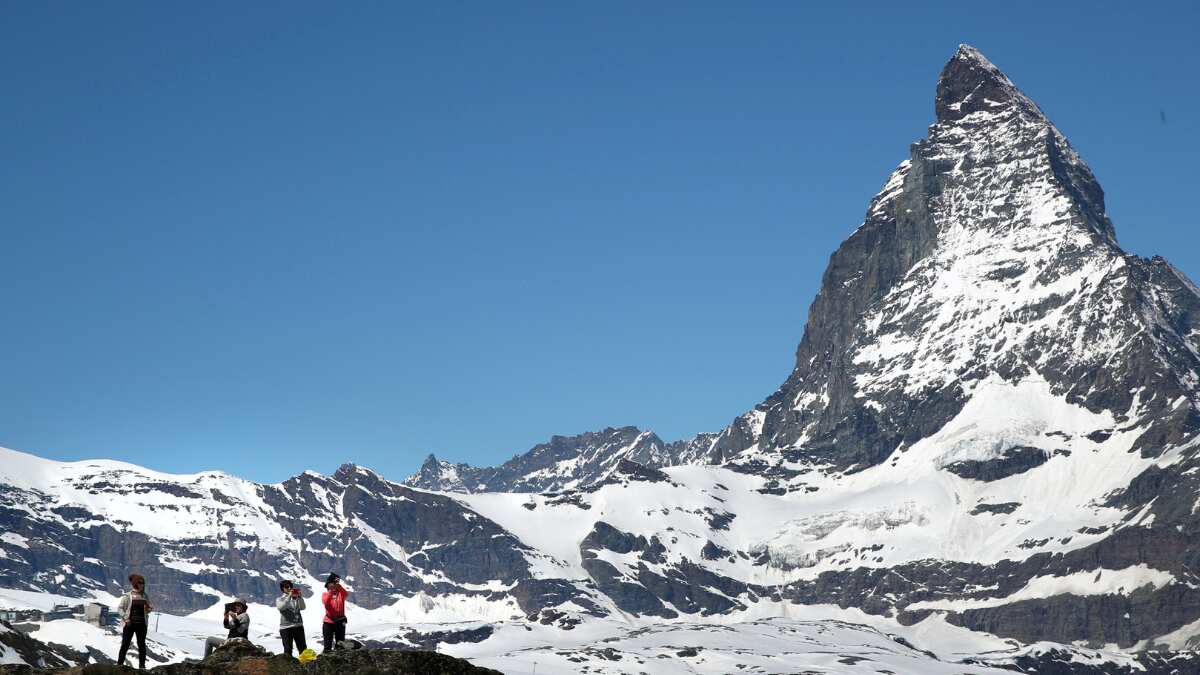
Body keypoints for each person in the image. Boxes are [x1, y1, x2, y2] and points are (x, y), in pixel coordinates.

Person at [117, 574, 152, 669]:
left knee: (142, 645)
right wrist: (126, 618)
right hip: (129, 624)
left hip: (142, 625)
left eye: (143, 583)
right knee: (125, 644)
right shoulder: (128, 596)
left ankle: (142, 666)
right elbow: (120, 608)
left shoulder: (145, 596)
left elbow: (148, 609)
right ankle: (119, 664)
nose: (143, 585)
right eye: (140, 583)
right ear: (136, 584)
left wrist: (149, 609)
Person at [275, 580, 307, 657]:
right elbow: (281, 607)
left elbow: (303, 607)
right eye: (287, 587)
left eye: (290, 586)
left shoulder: (295, 598)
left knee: (303, 648)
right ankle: (288, 667)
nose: (289, 588)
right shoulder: (279, 599)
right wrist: (289, 596)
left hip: (298, 626)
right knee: (288, 649)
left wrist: (300, 597)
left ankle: (306, 665)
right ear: (282, 589)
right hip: (286, 628)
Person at [321, 573, 348, 652]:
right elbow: (325, 601)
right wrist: (331, 591)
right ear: (328, 584)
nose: (334, 585)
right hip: (328, 622)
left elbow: (346, 594)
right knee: (327, 645)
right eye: (333, 583)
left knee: (340, 644)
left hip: (340, 621)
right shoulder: (325, 594)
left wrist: (338, 586)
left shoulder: (340, 594)